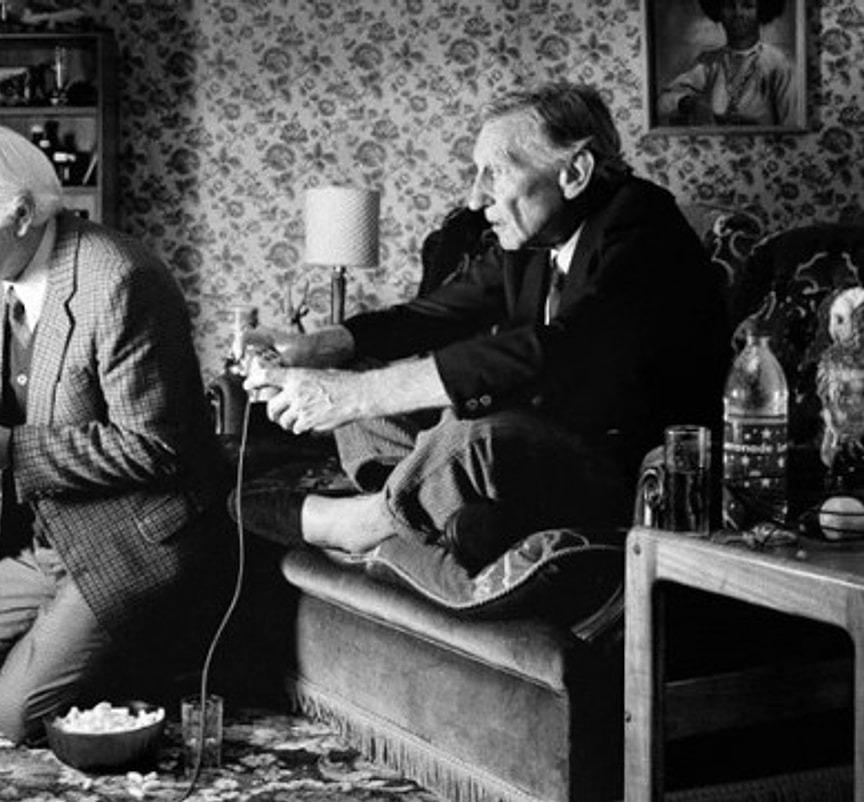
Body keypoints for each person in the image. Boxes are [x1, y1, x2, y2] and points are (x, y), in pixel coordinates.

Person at [237, 82, 730, 573]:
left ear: (575, 172)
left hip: (626, 470)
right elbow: (433, 314)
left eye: (494, 172)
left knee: (476, 437)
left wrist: (358, 395)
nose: (475, 199)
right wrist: (316, 347)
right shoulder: (533, 238)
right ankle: (427, 501)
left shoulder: (643, 223)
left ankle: (371, 520)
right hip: (539, 451)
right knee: (368, 383)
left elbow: (561, 349)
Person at [0, 123, 225, 744]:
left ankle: (162, 640)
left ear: (20, 213)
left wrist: (7, 450)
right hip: (48, 539)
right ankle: (74, 631)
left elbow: (155, 446)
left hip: (133, 540)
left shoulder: (121, 280)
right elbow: (34, 401)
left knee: (17, 716)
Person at [657, 0, 797, 127]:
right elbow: (663, 101)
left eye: (748, 6)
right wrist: (690, 103)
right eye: (730, 6)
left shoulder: (779, 64)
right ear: (719, 11)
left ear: (761, 11)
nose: (738, 13)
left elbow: (792, 125)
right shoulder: (709, 62)